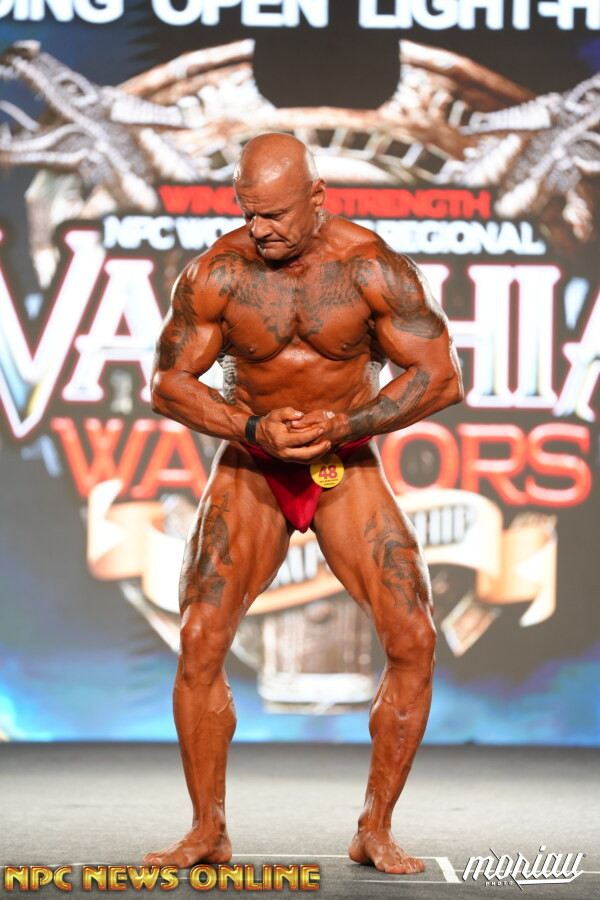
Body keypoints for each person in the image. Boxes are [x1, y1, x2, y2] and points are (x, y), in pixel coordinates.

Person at [142, 132, 463, 875]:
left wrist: (347, 425)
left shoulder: (369, 267)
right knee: (199, 638)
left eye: (275, 215)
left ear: (318, 198)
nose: (260, 230)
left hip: (343, 462)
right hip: (252, 463)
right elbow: (168, 384)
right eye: (248, 213)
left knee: (413, 636)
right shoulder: (218, 273)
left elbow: (441, 376)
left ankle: (375, 827)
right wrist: (251, 427)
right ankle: (207, 829)